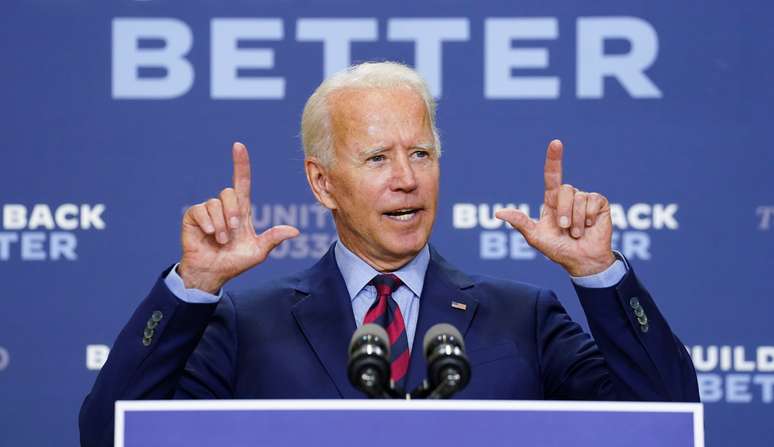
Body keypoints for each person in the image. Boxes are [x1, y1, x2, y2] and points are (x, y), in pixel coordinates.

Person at [79, 62, 699, 447]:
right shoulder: (246, 324)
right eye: (377, 158)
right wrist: (193, 286)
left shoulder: (525, 317)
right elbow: (111, 434)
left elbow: (670, 422)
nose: (407, 179)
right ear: (322, 184)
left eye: (421, 154)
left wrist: (598, 276)